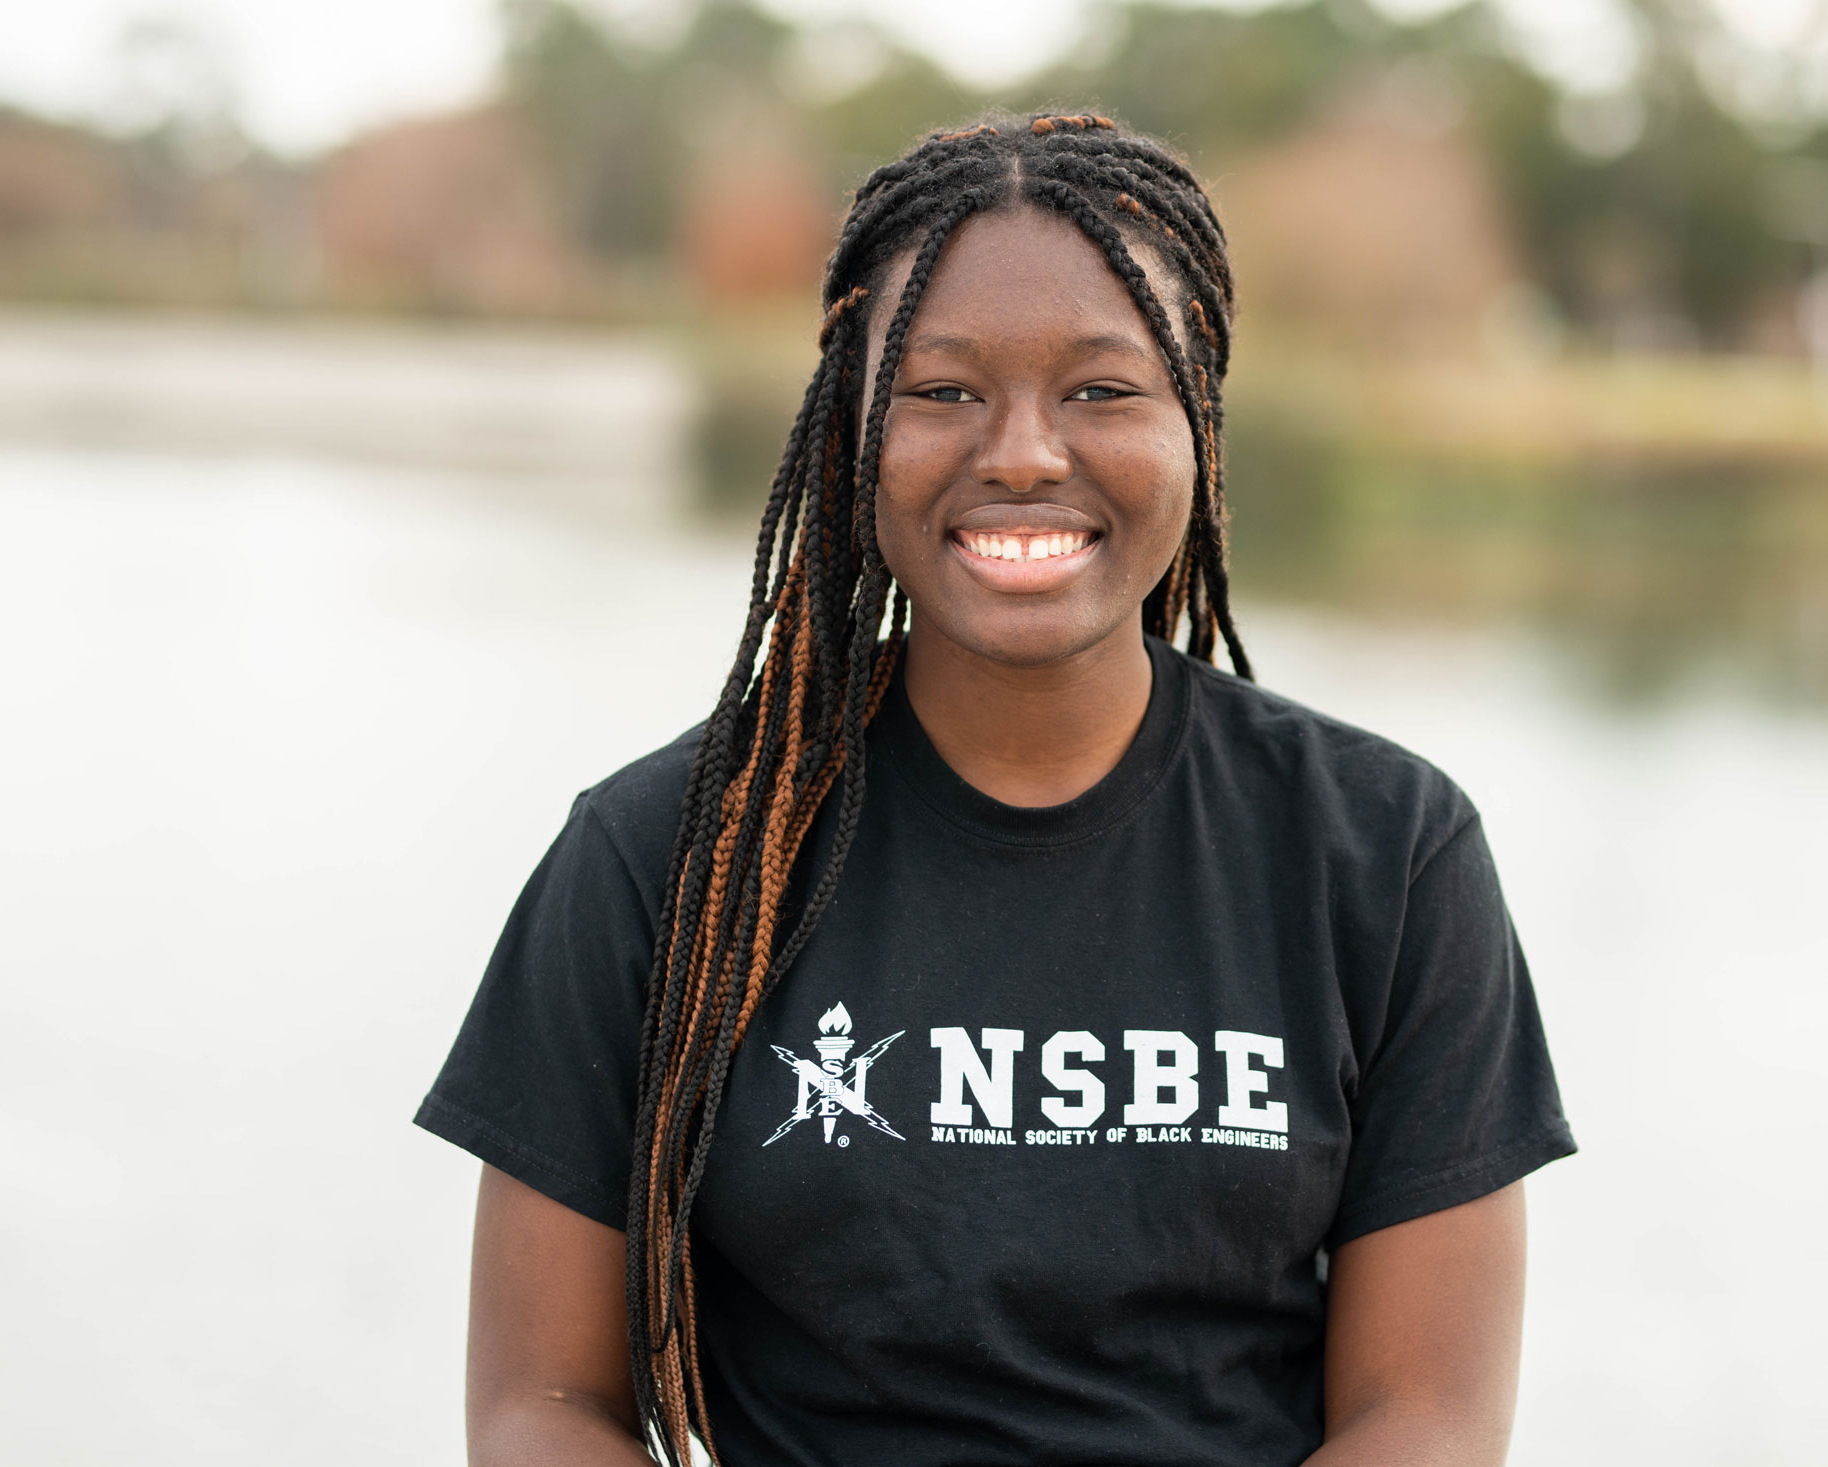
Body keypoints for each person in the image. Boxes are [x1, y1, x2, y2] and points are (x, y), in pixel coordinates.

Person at [417, 112, 1574, 1467]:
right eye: (944, 389)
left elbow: (1425, 1418)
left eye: (1102, 388)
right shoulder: (666, 857)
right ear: (854, 432)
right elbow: (538, 1412)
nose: (1022, 452)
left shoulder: (1383, 852)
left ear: (1196, 422)